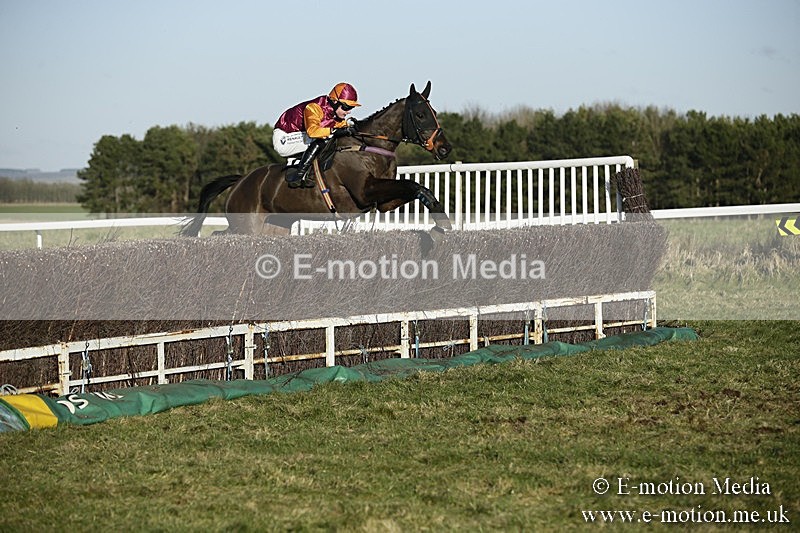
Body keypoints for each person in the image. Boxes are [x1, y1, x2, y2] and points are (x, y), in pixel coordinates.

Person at [273, 82, 360, 188]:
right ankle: (299, 175)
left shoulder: (337, 116)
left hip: (302, 137)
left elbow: (342, 130)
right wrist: (333, 131)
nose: (348, 112)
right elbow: (313, 132)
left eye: (351, 108)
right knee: (324, 138)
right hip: (284, 138)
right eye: (346, 107)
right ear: (334, 101)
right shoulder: (314, 108)